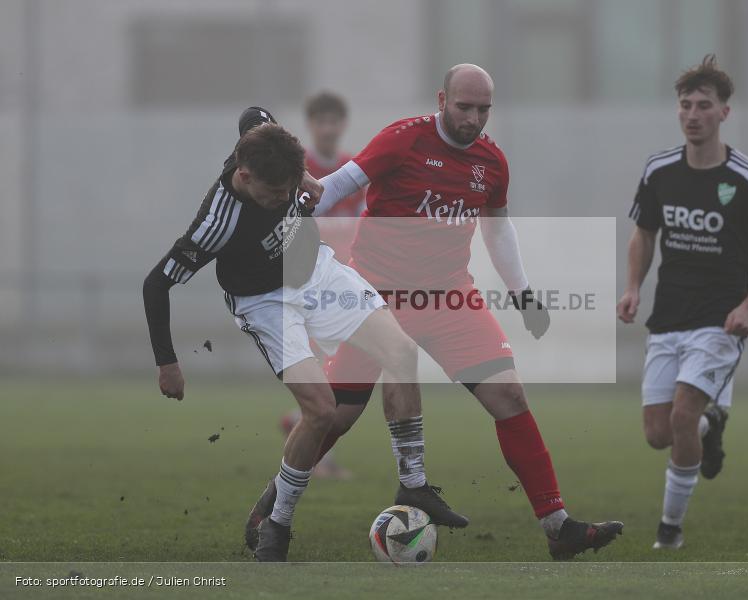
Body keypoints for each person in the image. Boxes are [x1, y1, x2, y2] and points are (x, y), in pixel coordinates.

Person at [248, 64, 624, 560]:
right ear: (442, 99)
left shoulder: (492, 161)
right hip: (378, 296)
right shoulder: (403, 138)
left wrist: (522, 293)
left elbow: (497, 228)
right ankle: (269, 509)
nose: (473, 119)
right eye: (464, 107)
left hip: (450, 298)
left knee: (509, 394)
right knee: (334, 416)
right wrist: (287, 229)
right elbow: (337, 186)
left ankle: (558, 527)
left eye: (483, 110)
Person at [142, 107, 467, 562]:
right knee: (320, 409)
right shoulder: (216, 223)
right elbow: (156, 284)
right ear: (245, 176)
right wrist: (167, 362)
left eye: (288, 189)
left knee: (400, 351)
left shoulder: (263, 151)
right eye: (275, 194)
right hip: (266, 303)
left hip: (315, 271)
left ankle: (413, 484)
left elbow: (254, 113)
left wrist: (305, 176)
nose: (284, 199)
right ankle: (278, 525)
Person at [616, 55, 748, 549]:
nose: (693, 114)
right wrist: (633, 287)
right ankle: (712, 422)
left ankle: (669, 532)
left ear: (724, 113)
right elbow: (643, 233)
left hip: (720, 322)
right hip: (668, 316)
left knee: (681, 416)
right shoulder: (660, 170)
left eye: (704, 105)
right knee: (657, 433)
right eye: (686, 105)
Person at [278, 91, 365, 479]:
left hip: (344, 282)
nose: (328, 129)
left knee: (336, 367)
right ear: (311, 125)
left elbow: (364, 222)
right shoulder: (300, 171)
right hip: (308, 283)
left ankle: (297, 421)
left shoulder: (352, 170)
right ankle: (317, 459)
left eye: (334, 121)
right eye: (321, 121)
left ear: (343, 124)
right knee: (325, 372)